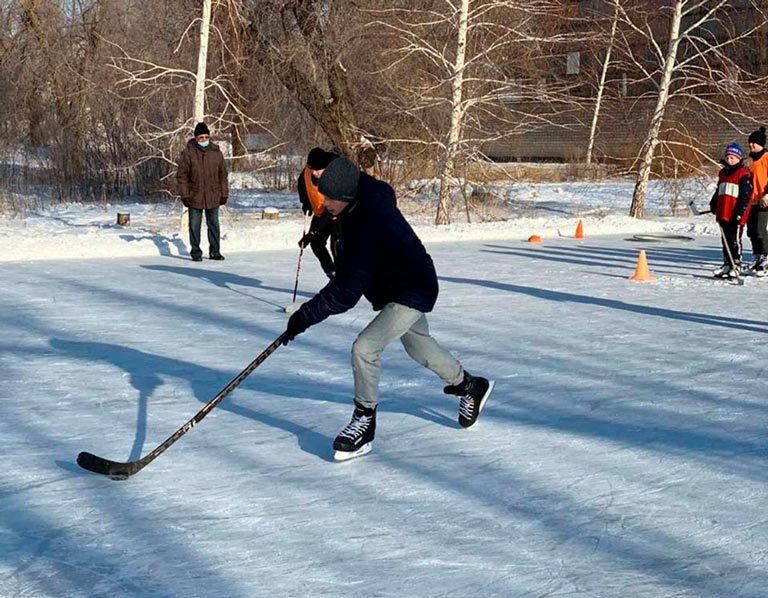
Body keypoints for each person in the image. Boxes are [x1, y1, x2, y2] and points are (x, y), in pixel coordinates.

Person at [281, 156, 494, 461]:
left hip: (412, 288)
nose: (325, 203)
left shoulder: (365, 227)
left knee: (364, 349)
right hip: (397, 285)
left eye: (330, 198)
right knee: (420, 348)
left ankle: (364, 420)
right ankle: (470, 386)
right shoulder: (364, 194)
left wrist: (303, 317)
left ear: (345, 197)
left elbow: (344, 293)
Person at [176, 122, 229, 262]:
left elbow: (223, 175)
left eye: (206, 137)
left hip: (213, 195)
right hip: (194, 196)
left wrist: (224, 193)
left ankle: (215, 251)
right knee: (194, 226)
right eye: (201, 137)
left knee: (214, 225)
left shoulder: (216, 153)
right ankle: (196, 252)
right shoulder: (188, 153)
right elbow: (182, 175)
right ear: (196, 138)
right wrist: (184, 195)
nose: (204, 140)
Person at [708, 143, 752, 278]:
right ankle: (727, 263)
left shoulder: (743, 174)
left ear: (738, 158)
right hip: (724, 211)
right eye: (728, 157)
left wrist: (739, 212)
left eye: (732, 157)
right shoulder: (723, 173)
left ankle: (736, 264)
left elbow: (746, 196)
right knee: (725, 239)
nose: (729, 160)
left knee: (734, 240)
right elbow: (719, 190)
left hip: (735, 213)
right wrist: (714, 203)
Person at [297, 148, 340, 278]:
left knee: (337, 247)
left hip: (338, 216)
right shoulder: (308, 170)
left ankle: (342, 280)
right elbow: (302, 183)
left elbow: (331, 212)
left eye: (318, 170)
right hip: (320, 213)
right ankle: (332, 273)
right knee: (316, 244)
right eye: (312, 169)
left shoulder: (337, 178)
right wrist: (305, 201)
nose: (314, 173)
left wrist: (311, 233)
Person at [742, 126, 768, 275]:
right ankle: (756, 255)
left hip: (764, 200)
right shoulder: (749, 160)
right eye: (750, 143)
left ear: (761, 144)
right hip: (751, 200)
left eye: (754, 143)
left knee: (760, 229)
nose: (751, 145)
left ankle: (766, 256)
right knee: (751, 230)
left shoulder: (766, 158)